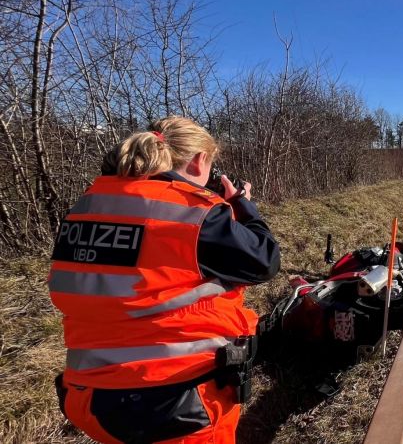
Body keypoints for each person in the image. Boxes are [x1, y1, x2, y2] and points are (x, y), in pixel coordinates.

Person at [49, 116, 280, 443]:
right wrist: (242, 206)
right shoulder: (195, 213)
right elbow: (265, 259)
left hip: (89, 396)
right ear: (199, 160)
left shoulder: (86, 206)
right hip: (179, 401)